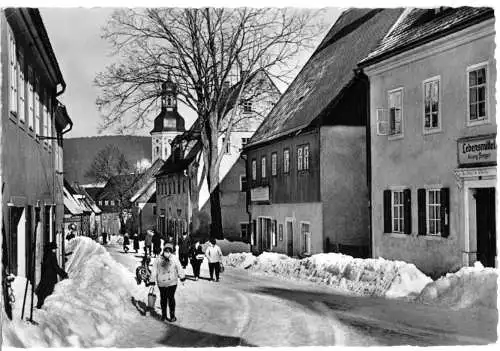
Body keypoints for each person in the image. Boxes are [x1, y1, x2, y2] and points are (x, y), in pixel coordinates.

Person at [151, 243, 185, 322]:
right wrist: (182, 278)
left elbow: (179, 268)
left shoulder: (160, 259)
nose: (168, 252)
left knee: (166, 298)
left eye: (169, 251)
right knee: (168, 298)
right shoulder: (160, 259)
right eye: (166, 250)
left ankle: (166, 316)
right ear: (164, 250)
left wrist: (152, 281)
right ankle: (169, 316)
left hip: (169, 283)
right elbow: (154, 271)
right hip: (168, 282)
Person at [36, 242, 68, 308]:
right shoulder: (52, 255)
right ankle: (42, 306)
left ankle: (40, 305)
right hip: (50, 277)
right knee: (48, 292)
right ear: (52, 249)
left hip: (46, 275)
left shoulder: (47, 254)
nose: (55, 250)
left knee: (43, 290)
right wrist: (64, 274)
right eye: (54, 249)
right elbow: (56, 267)